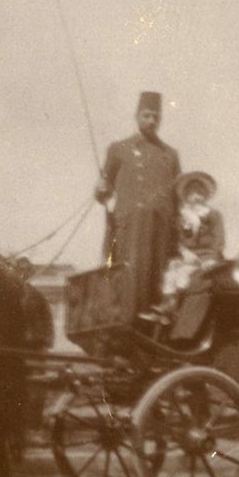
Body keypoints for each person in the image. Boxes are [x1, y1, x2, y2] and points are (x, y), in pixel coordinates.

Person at [94, 91, 181, 313]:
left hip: (161, 229)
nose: (151, 121)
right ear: (137, 116)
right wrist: (101, 190)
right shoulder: (118, 149)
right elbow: (104, 190)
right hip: (129, 226)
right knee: (129, 279)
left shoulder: (170, 155)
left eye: (156, 117)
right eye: (146, 115)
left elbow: (178, 197)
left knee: (158, 280)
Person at [160, 171, 225, 299]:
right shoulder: (181, 217)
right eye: (192, 193)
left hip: (207, 257)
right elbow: (177, 240)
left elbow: (219, 240)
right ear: (185, 195)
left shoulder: (213, 215)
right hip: (187, 257)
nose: (196, 196)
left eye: (200, 192)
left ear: (206, 195)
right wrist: (182, 253)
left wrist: (211, 258)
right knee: (171, 276)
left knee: (193, 278)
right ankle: (170, 304)